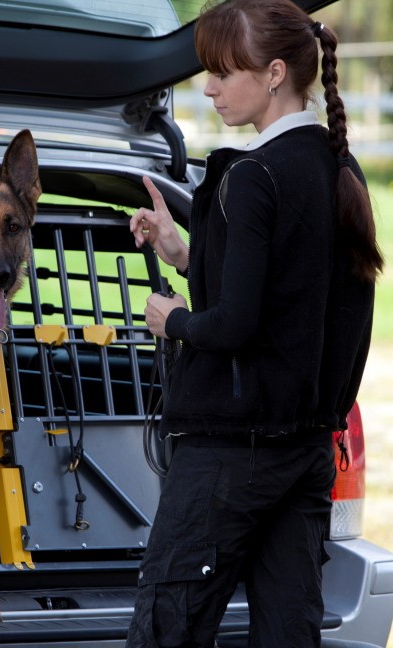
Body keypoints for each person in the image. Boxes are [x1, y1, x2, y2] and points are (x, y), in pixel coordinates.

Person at [125, 1, 384, 647]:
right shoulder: (338, 168)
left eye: (222, 72)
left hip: (229, 453)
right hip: (303, 452)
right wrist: (183, 252)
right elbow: (293, 300)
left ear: (273, 74)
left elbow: (237, 325)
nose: (209, 88)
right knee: (288, 629)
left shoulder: (254, 174)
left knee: (169, 627)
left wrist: (174, 320)